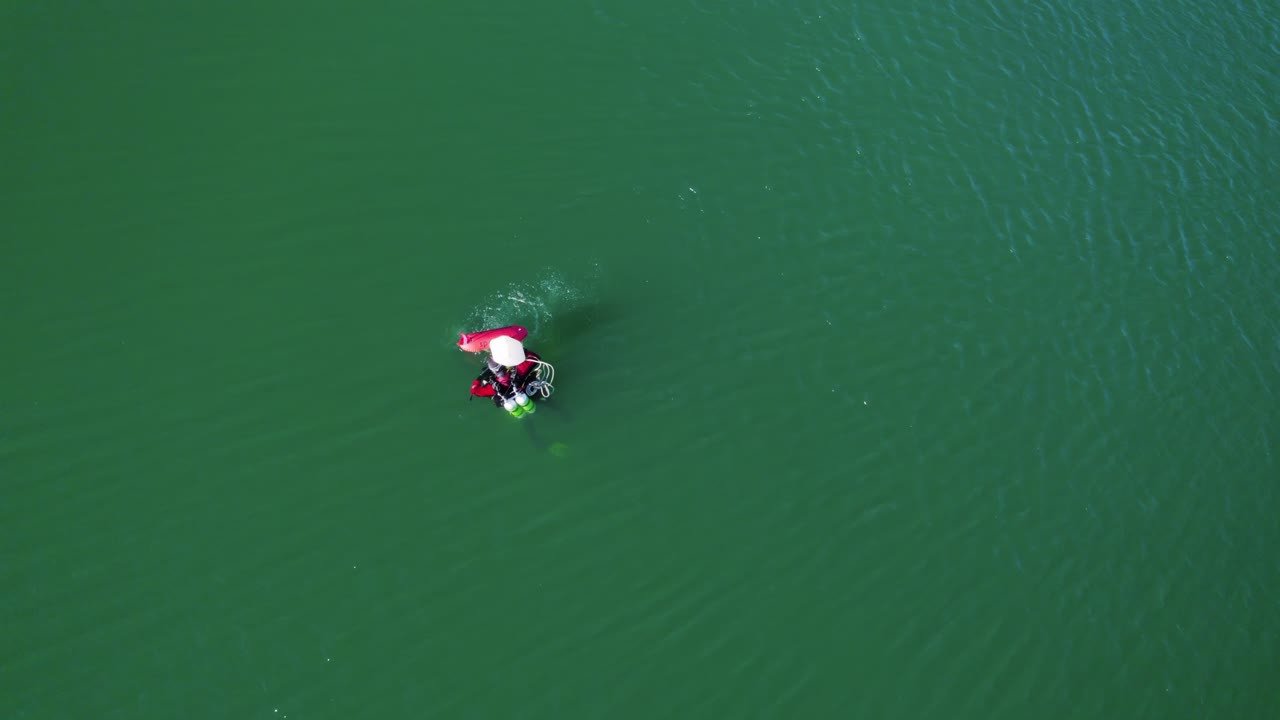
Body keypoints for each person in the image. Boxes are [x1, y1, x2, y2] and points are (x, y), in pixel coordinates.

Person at [469, 335, 543, 408]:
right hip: (531, 395)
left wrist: (481, 377)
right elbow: (534, 357)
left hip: (514, 403)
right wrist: (520, 351)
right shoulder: (520, 370)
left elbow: (474, 391)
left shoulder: (492, 387)